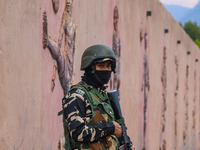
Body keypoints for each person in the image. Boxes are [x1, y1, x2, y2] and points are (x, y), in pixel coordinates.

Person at [62, 45, 135, 149]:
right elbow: (77, 132)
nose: (106, 70)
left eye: (109, 66)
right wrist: (110, 128)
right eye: (101, 66)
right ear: (90, 67)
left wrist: (128, 144)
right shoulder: (77, 95)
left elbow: (118, 128)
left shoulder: (103, 96)